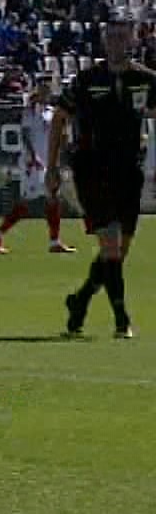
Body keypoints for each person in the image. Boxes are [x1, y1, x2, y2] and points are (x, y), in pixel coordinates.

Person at [48, 17, 154, 339]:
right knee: (109, 244)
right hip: (92, 172)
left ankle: (79, 302)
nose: (116, 42)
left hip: (129, 174)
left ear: (133, 41)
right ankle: (122, 321)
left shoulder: (146, 79)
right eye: (111, 37)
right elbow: (59, 118)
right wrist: (52, 167)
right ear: (104, 41)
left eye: (123, 37)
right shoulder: (87, 79)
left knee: (119, 251)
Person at [0, 78, 77, 256]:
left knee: (53, 198)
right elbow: (26, 134)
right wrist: (32, 156)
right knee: (28, 203)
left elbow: (58, 134)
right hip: (33, 163)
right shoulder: (31, 110)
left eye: (48, 89)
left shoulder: (51, 112)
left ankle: (54, 242)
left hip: (48, 162)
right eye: (43, 89)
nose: (47, 92)